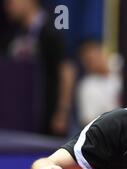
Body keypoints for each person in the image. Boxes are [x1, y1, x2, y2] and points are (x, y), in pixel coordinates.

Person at [4, 0, 75, 136]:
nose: (8, 6)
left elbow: (67, 70)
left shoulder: (52, 31)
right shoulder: (16, 35)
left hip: (49, 122)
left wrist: (62, 113)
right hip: (23, 122)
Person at [76, 39, 122, 128]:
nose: (94, 62)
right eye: (89, 60)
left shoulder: (119, 65)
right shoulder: (87, 86)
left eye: (96, 55)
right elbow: (88, 120)